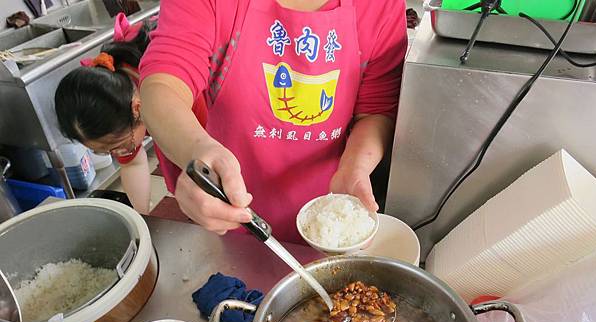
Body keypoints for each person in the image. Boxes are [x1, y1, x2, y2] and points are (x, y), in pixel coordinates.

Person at [140, 0, 407, 242]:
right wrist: (196, 150)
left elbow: (376, 110)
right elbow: (163, 85)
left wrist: (355, 168)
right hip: (229, 208)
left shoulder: (380, 5)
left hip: (329, 213)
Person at [54, 14, 207, 213]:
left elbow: (204, 154)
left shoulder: (179, 92)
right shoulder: (117, 103)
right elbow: (132, 164)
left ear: (137, 109)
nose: (117, 154)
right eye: (103, 151)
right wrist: (142, 218)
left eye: (118, 147)